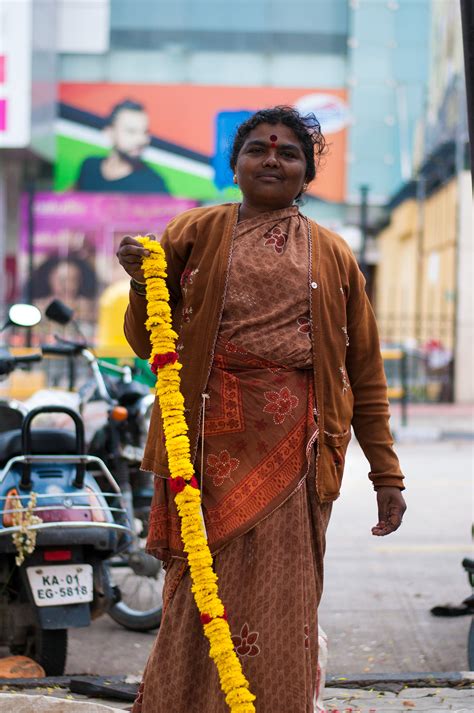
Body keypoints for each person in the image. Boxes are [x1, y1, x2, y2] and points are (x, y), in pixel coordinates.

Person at [117, 106, 406, 713]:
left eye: (288, 153)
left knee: (284, 600)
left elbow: (366, 374)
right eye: (258, 149)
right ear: (235, 163)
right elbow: (152, 343)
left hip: (296, 448)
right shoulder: (192, 232)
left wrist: (387, 474)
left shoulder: (332, 254)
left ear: (307, 173)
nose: (272, 159)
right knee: (194, 594)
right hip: (203, 447)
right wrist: (144, 286)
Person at [76, 99, 168, 194]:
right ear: (109, 133)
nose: (142, 139)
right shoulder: (89, 166)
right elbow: (68, 202)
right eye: (131, 131)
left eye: (145, 132)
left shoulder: (154, 184)